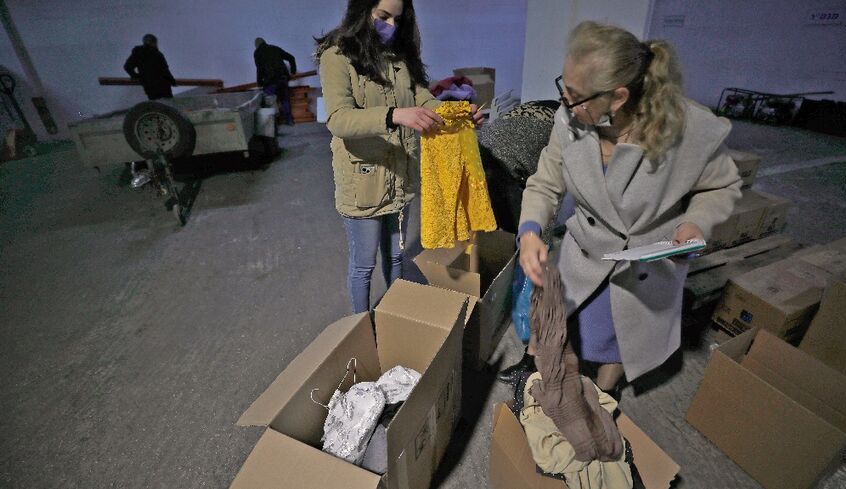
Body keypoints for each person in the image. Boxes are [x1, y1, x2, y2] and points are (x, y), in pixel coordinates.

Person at [509, 22, 741, 393]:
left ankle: (606, 392)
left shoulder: (687, 128)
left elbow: (721, 185)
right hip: (585, 251)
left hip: (642, 264)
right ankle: (537, 365)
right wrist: (531, 230)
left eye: (575, 94)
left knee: (618, 336)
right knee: (558, 320)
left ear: (617, 98)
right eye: (563, 86)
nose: (564, 101)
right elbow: (545, 182)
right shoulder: (569, 119)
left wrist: (696, 224)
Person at [316, 0, 484, 314]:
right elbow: (338, 119)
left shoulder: (399, 57)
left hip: (400, 177)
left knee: (396, 256)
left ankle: (395, 313)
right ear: (362, 12)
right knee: (364, 264)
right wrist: (393, 115)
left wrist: (458, 114)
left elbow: (423, 99)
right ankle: (361, 326)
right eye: (383, 17)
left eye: (398, 19)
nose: (391, 27)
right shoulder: (337, 57)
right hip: (363, 180)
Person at [254, 38, 297, 124]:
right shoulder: (275, 48)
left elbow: (259, 69)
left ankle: (272, 123)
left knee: (268, 100)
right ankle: (289, 120)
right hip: (282, 78)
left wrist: (259, 82)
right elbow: (291, 58)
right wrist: (293, 72)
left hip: (270, 81)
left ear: (256, 45)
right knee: (284, 100)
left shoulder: (257, 53)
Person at [124, 34, 176, 100]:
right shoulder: (157, 54)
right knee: (166, 105)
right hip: (163, 86)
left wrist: (138, 77)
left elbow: (127, 67)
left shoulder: (138, 53)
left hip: (150, 86)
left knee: (155, 106)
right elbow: (165, 70)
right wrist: (172, 81)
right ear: (154, 43)